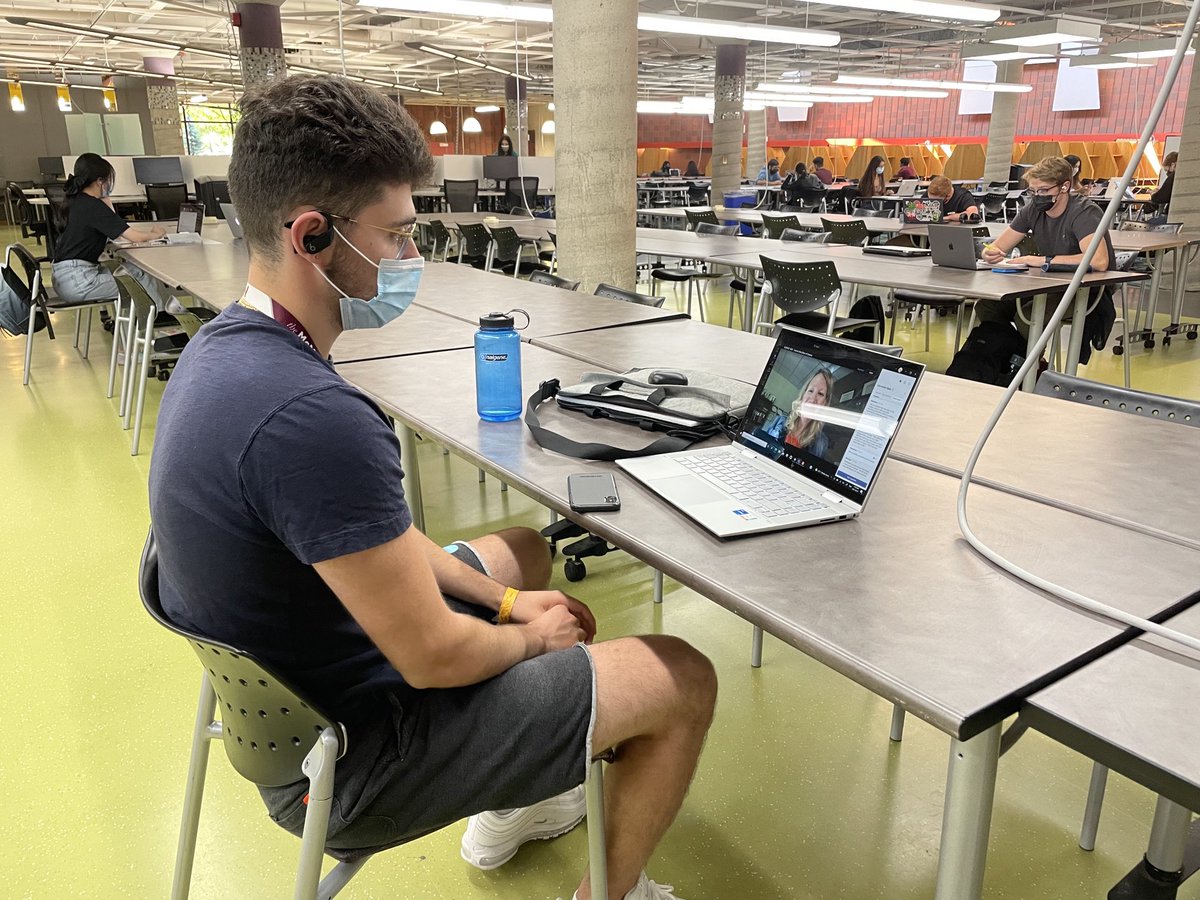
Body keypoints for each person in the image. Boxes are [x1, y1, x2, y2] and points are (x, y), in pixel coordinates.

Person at [148, 75, 715, 900]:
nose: (413, 258)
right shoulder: (314, 416)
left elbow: (363, 538)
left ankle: (519, 803)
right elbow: (436, 656)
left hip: (300, 688)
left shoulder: (224, 350)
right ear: (312, 237)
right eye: (399, 236)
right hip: (353, 758)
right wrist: (534, 641)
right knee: (680, 672)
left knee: (522, 552)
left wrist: (515, 603)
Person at [980, 156, 1115, 359]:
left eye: (1043, 190)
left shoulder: (1084, 212)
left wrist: (1044, 260)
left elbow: (1098, 261)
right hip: (1044, 284)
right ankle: (1005, 356)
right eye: (1032, 191)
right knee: (986, 306)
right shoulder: (1032, 210)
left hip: (1085, 290)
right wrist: (988, 252)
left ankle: (1027, 368)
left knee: (1029, 317)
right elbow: (997, 246)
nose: (1036, 196)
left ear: (1064, 187)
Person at [50, 153, 171, 308]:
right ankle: (160, 322)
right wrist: (156, 234)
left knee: (136, 270)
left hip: (65, 278)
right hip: (80, 281)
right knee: (140, 278)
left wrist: (105, 201)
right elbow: (135, 237)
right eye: (108, 180)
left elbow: (113, 228)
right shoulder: (93, 206)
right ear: (100, 181)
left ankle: (142, 327)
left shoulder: (75, 200)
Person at [765, 369, 834, 459]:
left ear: (825, 403)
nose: (812, 399)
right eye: (810, 390)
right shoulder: (779, 420)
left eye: (820, 394)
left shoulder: (821, 443)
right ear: (803, 395)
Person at [1147, 151, 1177, 222]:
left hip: (1170, 218)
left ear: (1173, 165)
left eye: (1166, 170)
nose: (1167, 174)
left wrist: (1153, 194)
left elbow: (1160, 198)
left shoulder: (1173, 177)